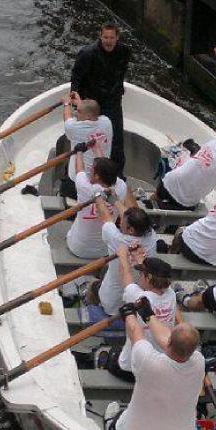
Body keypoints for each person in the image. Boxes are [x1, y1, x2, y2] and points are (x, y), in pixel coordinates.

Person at [111, 299, 205, 430]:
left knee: (117, 418)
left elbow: (135, 331)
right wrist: (149, 315)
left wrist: (129, 314)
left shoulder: (149, 362)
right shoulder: (199, 361)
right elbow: (169, 340)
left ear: (170, 341)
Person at [106, 245, 183, 382]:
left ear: (148, 278)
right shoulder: (170, 294)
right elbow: (157, 277)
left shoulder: (138, 296)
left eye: (141, 274)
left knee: (113, 352)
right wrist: (139, 259)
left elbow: (125, 275)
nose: (139, 276)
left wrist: (123, 256)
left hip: (131, 369)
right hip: (159, 366)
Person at [71, 22, 131, 178]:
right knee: (83, 139)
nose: (108, 41)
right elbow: (76, 77)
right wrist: (75, 98)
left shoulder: (124, 52)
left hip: (112, 101)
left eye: (112, 37)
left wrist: (119, 87)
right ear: (100, 36)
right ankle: (77, 175)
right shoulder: (87, 53)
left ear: (117, 37)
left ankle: (117, 175)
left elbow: (120, 72)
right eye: (105, 37)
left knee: (117, 140)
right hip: (92, 103)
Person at [92, 194, 159, 318]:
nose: (120, 221)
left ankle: (90, 305)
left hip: (111, 303)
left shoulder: (116, 238)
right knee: (106, 269)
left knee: (92, 286)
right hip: (137, 302)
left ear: (131, 230)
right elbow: (130, 217)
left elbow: (106, 217)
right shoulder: (152, 236)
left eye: (122, 221)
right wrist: (116, 201)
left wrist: (98, 197)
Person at [66, 158, 126, 258]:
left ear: (97, 176)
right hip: (104, 251)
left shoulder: (84, 186)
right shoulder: (122, 187)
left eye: (92, 169)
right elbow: (109, 171)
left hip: (78, 249)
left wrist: (79, 151)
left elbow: (79, 169)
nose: (89, 171)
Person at [59, 91, 113, 199]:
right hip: (102, 179)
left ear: (88, 116)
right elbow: (92, 112)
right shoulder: (107, 122)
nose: (75, 113)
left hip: (78, 181)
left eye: (78, 111)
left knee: (65, 190)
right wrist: (80, 103)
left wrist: (66, 104)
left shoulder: (75, 128)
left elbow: (68, 119)